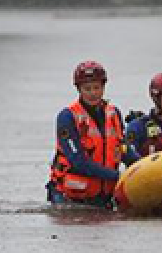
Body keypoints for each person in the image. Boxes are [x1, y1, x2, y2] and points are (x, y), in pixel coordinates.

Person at [46, 61, 125, 207]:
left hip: (104, 196)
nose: (93, 93)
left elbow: (123, 150)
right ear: (79, 89)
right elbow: (79, 163)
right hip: (68, 198)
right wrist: (119, 176)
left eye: (97, 88)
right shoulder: (67, 117)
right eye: (87, 89)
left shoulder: (114, 113)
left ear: (103, 87)